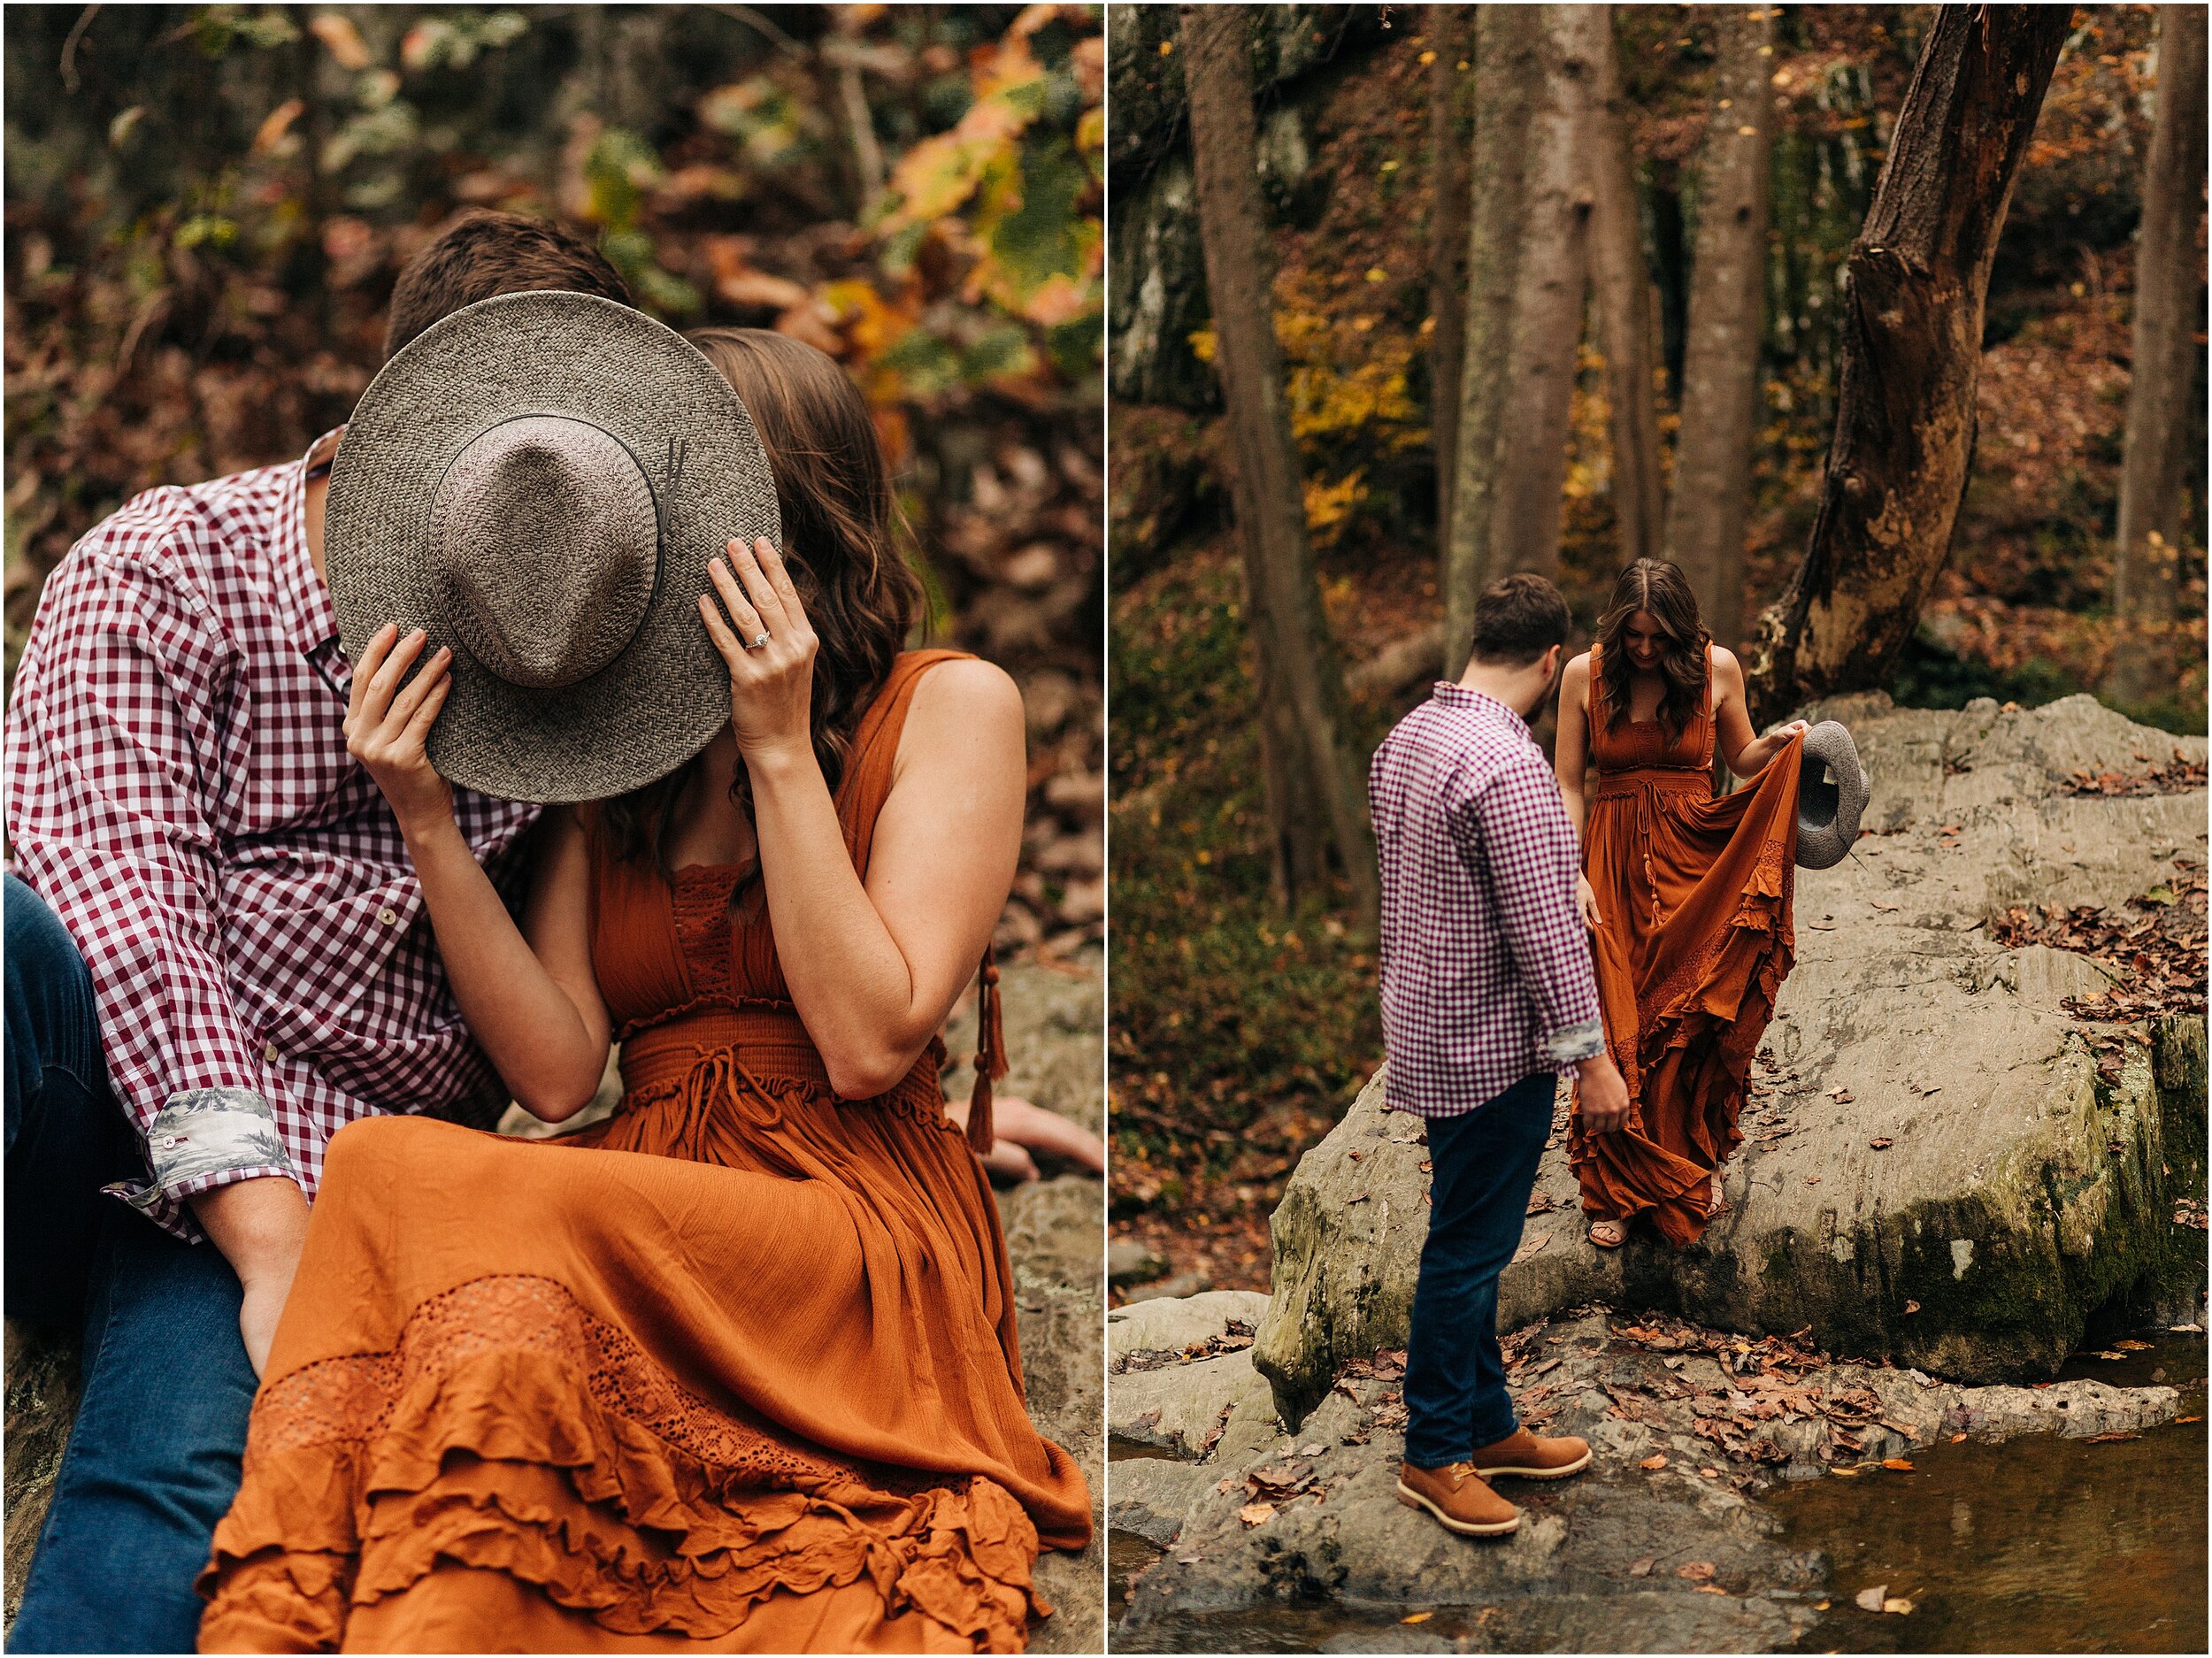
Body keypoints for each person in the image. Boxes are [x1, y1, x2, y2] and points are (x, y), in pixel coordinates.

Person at [191, 318, 1089, 1652]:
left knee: (412, 1174)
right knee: (400, 1176)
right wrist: (427, 817)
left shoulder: (950, 705)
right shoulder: (620, 752)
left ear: (779, 524)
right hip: (650, 1193)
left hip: (841, 1217)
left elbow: (864, 1041)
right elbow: (555, 1071)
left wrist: (780, 749)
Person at [2, 211, 634, 1655]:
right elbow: (127, 916)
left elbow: (624, 976)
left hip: (350, 1164)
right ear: (374, 446)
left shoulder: (571, 625)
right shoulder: (162, 572)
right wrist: (268, 1235)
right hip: (102, 1116)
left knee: (184, 1498)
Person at [1368, 574, 1632, 1542]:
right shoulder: (1508, 764)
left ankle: (1485, 1423)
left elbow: (1446, 877)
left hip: (1427, 1026)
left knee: (1467, 1228)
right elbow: (1543, 931)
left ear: (1479, 638)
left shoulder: (1408, 738)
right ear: (1553, 660)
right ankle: (1434, 1451)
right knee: (1468, 1247)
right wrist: (1589, 1060)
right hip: (1486, 1042)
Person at [1554, 558, 1807, 1250]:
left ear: (1681, 628)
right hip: (1609, 857)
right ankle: (1615, 1186)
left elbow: (1742, 756)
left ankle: (1694, 1161)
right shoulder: (1585, 674)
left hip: (1694, 850)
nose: (1642, 649)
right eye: (1632, 635)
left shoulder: (1718, 667)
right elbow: (1569, 783)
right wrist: (1566, 868)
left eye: (1656, 637)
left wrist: (1776, 746)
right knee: (1615, 1009)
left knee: (1694, 1007)